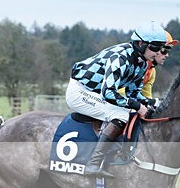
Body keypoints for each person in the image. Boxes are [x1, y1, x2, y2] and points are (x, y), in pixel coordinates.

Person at [66, 21, 168, 177]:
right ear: (140, 43)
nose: (157, 52)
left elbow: (133, 93)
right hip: (80, 91)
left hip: (96, 93)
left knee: (129, 109)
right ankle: (93, 164)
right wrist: (138, 106)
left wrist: (154, 103)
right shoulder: (120, 57)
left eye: (160, 48)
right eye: (154, 47)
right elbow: (109, 93)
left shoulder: (141, 63)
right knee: (120, 114)